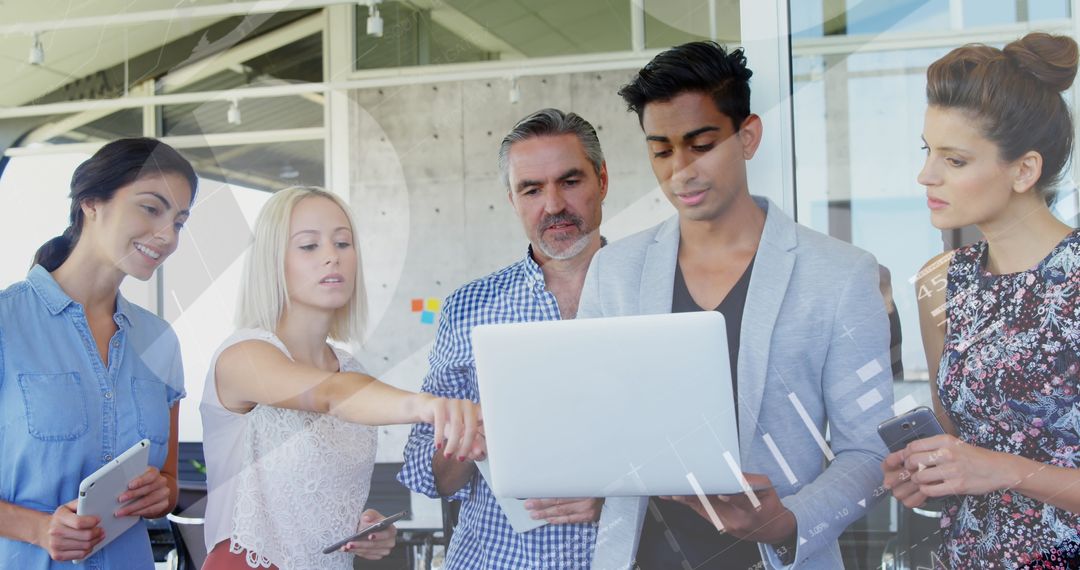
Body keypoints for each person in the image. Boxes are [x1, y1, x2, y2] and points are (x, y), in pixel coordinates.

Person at [583, 42, 894, 569]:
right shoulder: (615, 272)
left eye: (700, 145)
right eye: (661, 151)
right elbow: (589, 417)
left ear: (747, 137)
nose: (680, 170)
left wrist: (787, 521)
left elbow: (870, 453)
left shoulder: (841, 274)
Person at [200, 186, 484, 570]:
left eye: (343, 243)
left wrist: (361, 526)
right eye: (308, 246)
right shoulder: (242, 357)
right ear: (273, 262)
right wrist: (427, 406)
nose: (332, 256)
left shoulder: (351, 369)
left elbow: (312, 496)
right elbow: (330, 395)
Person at [883, 32, 1080, 568]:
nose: (927, 175)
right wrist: (926, 471)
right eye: (929, 152)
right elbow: (958, 443)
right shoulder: (938, 283)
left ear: (1024, 170)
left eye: (955, 160)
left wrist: (1003, 469)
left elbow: (987, 463)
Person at [397, 108, 608, 568]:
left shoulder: (652, 295)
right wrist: (472, 432)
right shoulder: (469, 308)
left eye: (569, 182)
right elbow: (431, 476)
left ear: (602, 181)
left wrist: (618, 498)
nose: (552, 205)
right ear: (512, 200)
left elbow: (694, 450)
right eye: (531, 189)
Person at [0, 138, 197, 568]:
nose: (167, 236)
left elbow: (169, 484)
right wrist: (36, 528)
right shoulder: (6, 324)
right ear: (91, 202)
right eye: (151, 208)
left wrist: (162, 493)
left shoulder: (159, 340)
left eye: (179, 222)